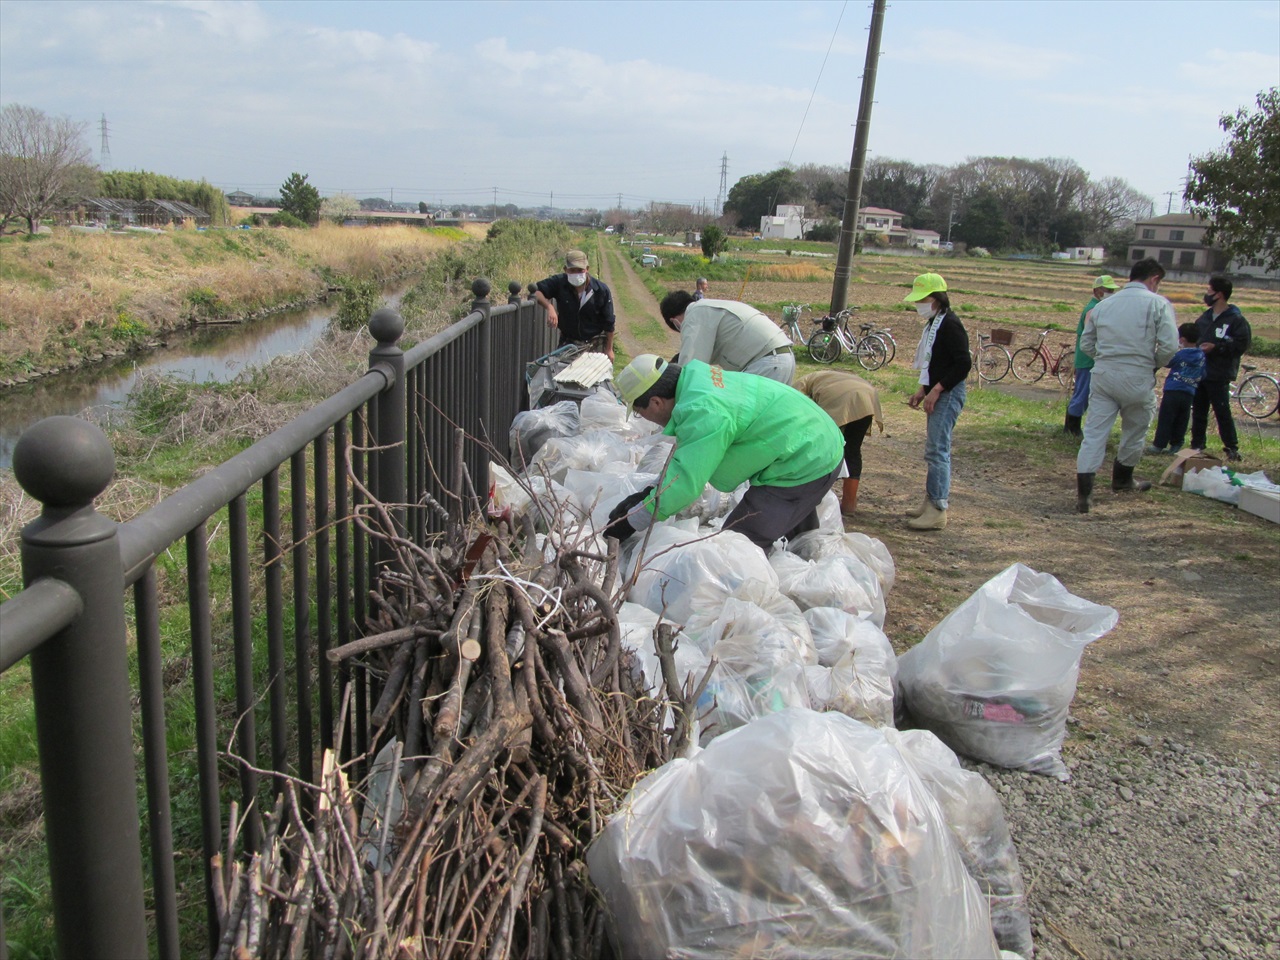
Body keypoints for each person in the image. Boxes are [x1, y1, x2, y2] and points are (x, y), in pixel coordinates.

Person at [603, 355, 843, 550]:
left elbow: (686, 484)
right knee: (798, 529)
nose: (642, 418)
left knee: (737, 544)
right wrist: (649, 493)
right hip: (813, 437)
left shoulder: (702, 409)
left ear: (655, 402)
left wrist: (631, 522)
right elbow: (687, 460)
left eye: (638, 411)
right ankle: (812, 568)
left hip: (804, 457)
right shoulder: (698, 381)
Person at [1075, 258, 1179, 513]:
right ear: (1154, 279)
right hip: (1137, 374)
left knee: (1094, 433)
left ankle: (1084, 494)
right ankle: (1122, 479)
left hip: (1104, 373)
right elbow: (1169, 346)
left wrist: (1104, 357)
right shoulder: (1158, 304)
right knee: (1135, 429)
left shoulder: (1104, 304)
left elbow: (1086, 344)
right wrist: (1153, 363)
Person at [902, 273, 971, 531]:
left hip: (948, 394)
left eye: (923, 298)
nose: (918, 303)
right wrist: (924, 388)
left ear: (936, 298)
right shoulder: (933, 324)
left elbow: (963, 364)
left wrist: (938, 389)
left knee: (938, 451)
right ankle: (929, 501)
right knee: (932, 450)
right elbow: (936, 363)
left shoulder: (950, 324)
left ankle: (938, 508)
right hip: (938, 391)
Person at [794, 370, 883, 516]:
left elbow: (799, 408)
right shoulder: (825, 376)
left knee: (822, 447)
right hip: (867, 397)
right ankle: (849, 504)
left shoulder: (801, 384)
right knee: (852, 451)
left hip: (842, 397)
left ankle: (813, 497)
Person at [659, 291, 795, 384]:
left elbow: (690, 370)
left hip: (767, 363)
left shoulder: (694, 315)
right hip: (783, 358)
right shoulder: (711, 307)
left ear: (674, 321)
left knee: (742, 417)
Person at [1190, 276, 1252, 462]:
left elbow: (1241, 345)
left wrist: (1217, 348)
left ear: (1220, 294)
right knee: (1199, 410)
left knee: (1221, 411)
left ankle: (1231, 447)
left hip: (1219, 373)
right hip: (1201, 371)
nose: (1206, 294)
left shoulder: (1236, 320)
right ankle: (1197, 445)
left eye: (1209, 291)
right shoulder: (1205, 318)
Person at [533, 249, 616, 360]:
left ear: (587, 269)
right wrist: (549, 307)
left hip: (595, 343)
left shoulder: (601, 290)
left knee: (595, 376)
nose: (576, 274)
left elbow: (609, 322)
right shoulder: (559, 283)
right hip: (569, 343)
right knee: (563, 375)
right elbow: (536, 291)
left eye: (580, 270)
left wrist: (609, 349)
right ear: (565, 270)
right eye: (572, 270)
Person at [1065, 275, 1119, 437]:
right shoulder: (1093, 309)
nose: (1110, 293)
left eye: (1112, 290)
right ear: (1097, 291)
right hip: (1088, 358)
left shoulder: (1100, 307)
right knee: (1083, 393)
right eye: (1107, 290)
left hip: (1091, 357)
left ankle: (1072, 425)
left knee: (1085, 392)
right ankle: (1072, 427)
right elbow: (1090, 335)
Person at [1147, 323, 1207, 455]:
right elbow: (1204, 374)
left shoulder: (1181, 354)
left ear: (1182, 339)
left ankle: (1159, 444)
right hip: (1190, 392)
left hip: (1173, 389)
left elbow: (1167, 362)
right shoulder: (1201, 356)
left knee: (1166, 417)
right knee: (1182, 418)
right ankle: (1176, 443)